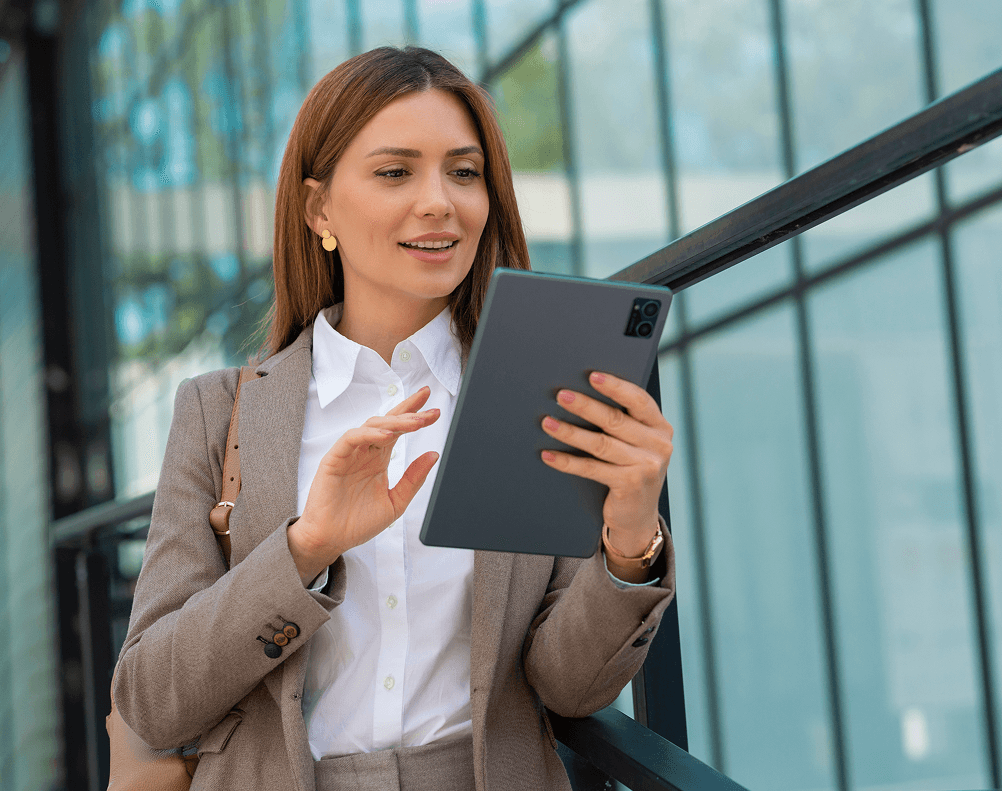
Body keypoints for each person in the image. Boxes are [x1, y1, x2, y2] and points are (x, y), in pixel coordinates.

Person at [114, 46, 676, 791]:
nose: (440, 200)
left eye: (464, 172)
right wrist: (307, 547)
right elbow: (152, 700)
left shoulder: (537, 391)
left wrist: (630, 538)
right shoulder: (221, 411)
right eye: (395, 171)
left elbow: (571, 687)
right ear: (320, 209)